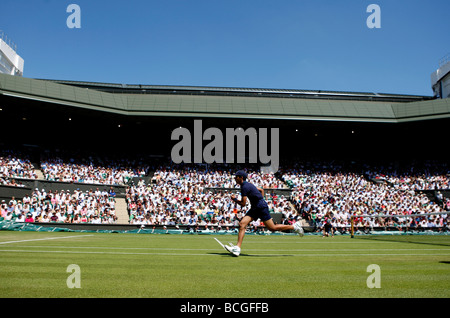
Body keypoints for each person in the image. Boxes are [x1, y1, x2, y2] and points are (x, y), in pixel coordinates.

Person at [225, 170, 304, 257]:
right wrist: (260, 200)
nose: (235, 178)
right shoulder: (248, 185)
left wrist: (235, 199)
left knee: (272, 228)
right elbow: (261, 190)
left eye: (236, 177)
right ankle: (237, 248)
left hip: (260, 207)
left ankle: (294, 226)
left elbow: (243, 204)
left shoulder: (244, 186)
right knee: (242, 224)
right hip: (256, 207)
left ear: (241, 178)